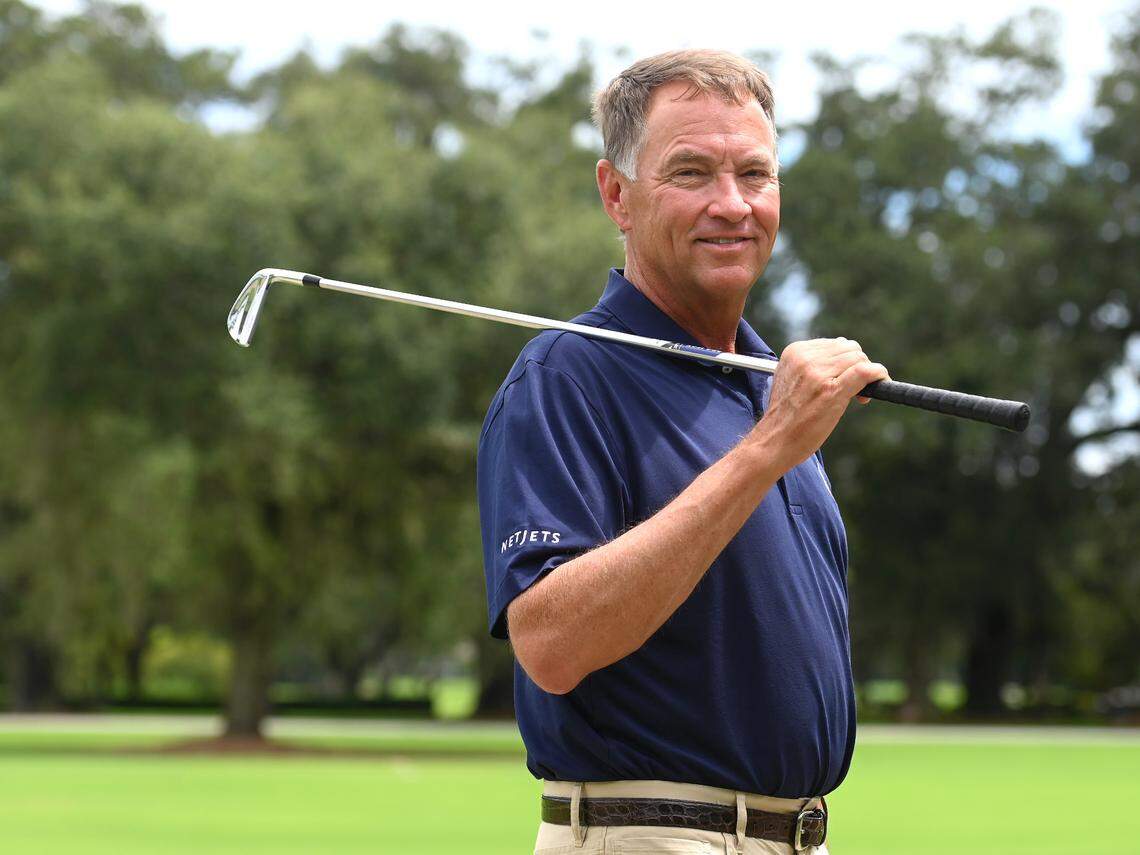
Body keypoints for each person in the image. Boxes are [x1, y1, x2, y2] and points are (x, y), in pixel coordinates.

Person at [477, 49, 889, 854]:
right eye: (692, 173)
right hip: (652, 837)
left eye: (755, 175)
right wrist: (766, 449)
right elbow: (551, 645)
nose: (731, 204)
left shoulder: (770, 387)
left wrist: (775, 430)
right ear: (616, 195)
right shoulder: (565, 376)